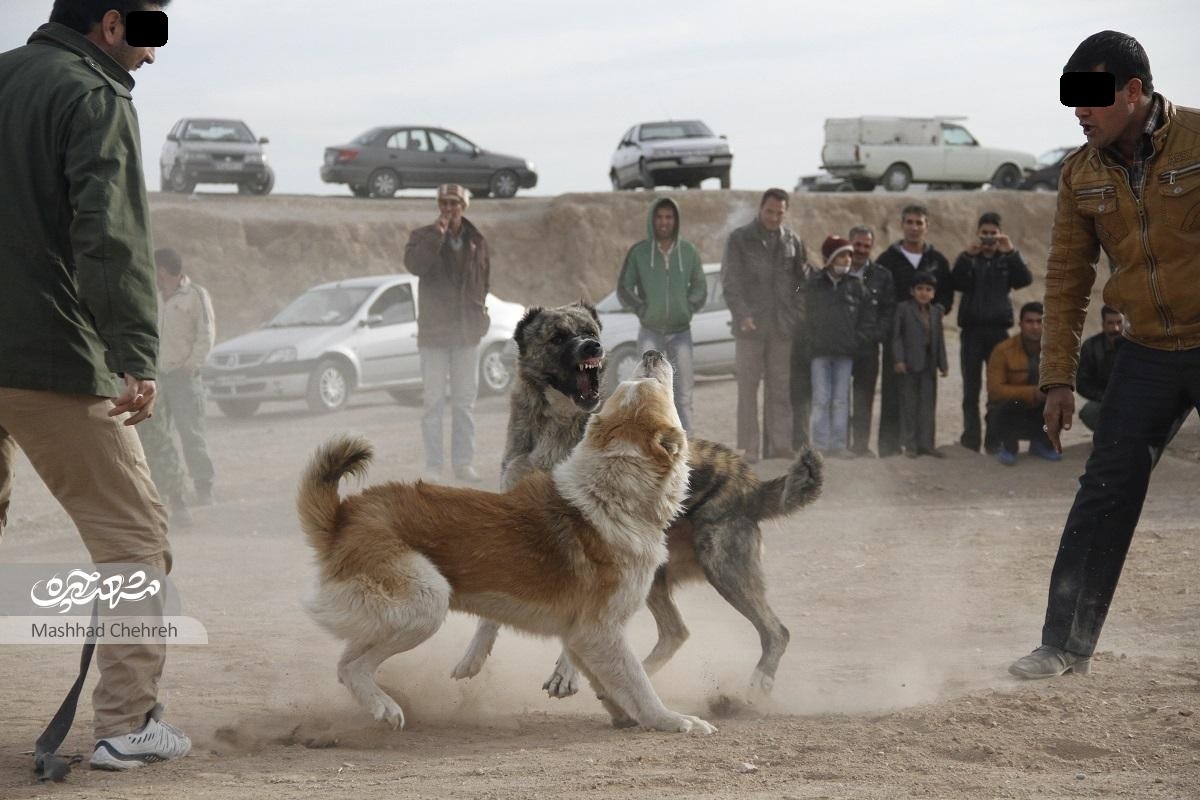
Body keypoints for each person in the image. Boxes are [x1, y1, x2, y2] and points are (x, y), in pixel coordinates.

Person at [0, 0, 191, 770]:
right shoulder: (92, 93)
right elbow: (107, 236)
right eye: (149, 34)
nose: (153, 54)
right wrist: (136, 351)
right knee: (132, 540)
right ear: (112, 25)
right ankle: (126, 723)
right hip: (44, 352)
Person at [1010, 31, 1200, 679]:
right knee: (1104, 490)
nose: (1080, 111)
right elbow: (1066, 281)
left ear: (1135, 91)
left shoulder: (1199, 143)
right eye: (1073, 100)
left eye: (1092, 96)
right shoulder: (1079, 174)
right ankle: (1063, 644)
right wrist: (1057, 379)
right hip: (1146, 352)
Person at [403, 184, 491, 483]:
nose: (448, 208)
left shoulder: (477, 240)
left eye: (454, 203)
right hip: (434, 334)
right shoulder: (421, 237)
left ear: (463, 206)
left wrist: (482, 315)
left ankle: (463, 463)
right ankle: (433, 466)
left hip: (466, 333)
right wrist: (437, 237)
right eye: (444, 203)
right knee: (433, 403)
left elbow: (483, 282)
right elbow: (416, 266)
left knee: (464, 402)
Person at [721, 188, 810, 463]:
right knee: (748, 389)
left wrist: (795, 313)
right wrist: (742, 314)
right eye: (769, 211)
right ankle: (750, 447)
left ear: (785, 212)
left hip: (781, 327)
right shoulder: (740, 239)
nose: (774, 217)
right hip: (750, 327)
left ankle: (780, 446)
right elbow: (730, 282)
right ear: (760, 209)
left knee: (780, 389)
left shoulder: (792, 241)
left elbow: (801, 282)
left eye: (779, 213)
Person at [616, 197, 706, 435]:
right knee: (645, 392)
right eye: (659, 217)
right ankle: (649, 448)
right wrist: (642, 309)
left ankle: (687, 450)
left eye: (669, 217)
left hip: (681, 332)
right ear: (652, 220)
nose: (664, 222)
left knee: (684, 394)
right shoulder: (640, 253)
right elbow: (624, 288)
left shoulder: (688, 252)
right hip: (650, 331)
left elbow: (700, 286)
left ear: (675, 220)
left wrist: (687, 307)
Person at [951, 212, 1033, 453]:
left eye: (992, 233)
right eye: (984, 233)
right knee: (970, 388)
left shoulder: (1006, 259)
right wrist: (967, 257)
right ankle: (970, 439)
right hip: (972, 331)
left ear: (1000, 234)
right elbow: (955, 282)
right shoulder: (969, 258)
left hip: (998, 332)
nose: (988, 238)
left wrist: (1011, 252)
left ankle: (994, 439)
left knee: (998, 388)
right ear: (978, 234)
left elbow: (1025, 279)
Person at [874, 205, 953, 457]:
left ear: (926, 226)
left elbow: (947, 295)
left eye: (919, 222)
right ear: (902, 225)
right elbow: (876, 292)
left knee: (924, 397)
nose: (914, 227)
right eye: (909, 222)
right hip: (896, 337)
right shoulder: (887, 259)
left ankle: (923, 445)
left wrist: (934, 311)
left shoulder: (937, 260)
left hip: (926, 340)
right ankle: (890, 447)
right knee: (893, 393)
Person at [152, 247, 216, 504]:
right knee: (159, 436)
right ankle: (167, 489)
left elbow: (206, 333)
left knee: (192, 434)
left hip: (184, 376)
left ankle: (203, 486)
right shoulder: (153, 296)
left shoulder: (195, 295)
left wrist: (191, 365)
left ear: (162, 270)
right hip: (158, 377)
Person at [806, 236, 876, 458]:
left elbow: (868, 317)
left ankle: (838, 444)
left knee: (840, 400)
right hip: (819, 353)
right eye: (842, 255)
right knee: (821, 399)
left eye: (849, 255)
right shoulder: (813, 284)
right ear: (830, 258)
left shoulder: (857, 286)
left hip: (845, 354)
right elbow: (803, 315)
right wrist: (811, 340)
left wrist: (857, 340)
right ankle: (819, 445)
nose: (847, 259)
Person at [985, 302, 1059, 466]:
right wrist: (1032, 392)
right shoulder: (1002, 350)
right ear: (1020, 324)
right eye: (1029, 321)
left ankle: (1041, 443)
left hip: (1038, 412)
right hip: (1008, 413)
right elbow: (994, 390)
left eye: (1040, 321)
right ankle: (1009, 447)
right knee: (1011, 404)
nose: (1034, 326)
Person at [847, 225, 894, 456]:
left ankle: (860, 446)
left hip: (868, 348)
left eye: (866, 246)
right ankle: (840, 445)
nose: (861, 250)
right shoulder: (838, 270)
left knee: (863, 399)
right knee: (840, 399)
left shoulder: (881, 275)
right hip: (840, 347)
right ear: (849, 244)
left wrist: (876, 335)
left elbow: (887, 311)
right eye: (857, 244)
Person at [892, 272, 949, 458]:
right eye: (920, 289)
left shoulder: (936, 311)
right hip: (909, 363)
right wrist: (899, 359)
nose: (924, 293)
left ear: (933, 293)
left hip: (929, 364)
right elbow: (897, 336)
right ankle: (910, 445)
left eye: (928, 290)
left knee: (927, 405)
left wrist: (943, 363)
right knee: (910, 404)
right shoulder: (903, 309)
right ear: (912, 291)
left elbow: (939, 339)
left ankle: (927, 444)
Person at [1075, 306, 1125, 432]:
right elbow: (1082, 383)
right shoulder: (1091, 347)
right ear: (1103, 324)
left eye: (1119, 322)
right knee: (1089, 412)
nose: (1116, 328)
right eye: (1110, 323)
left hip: (1134, 399)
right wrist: (1105, 398)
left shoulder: (1137, 345)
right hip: (1104, 400)